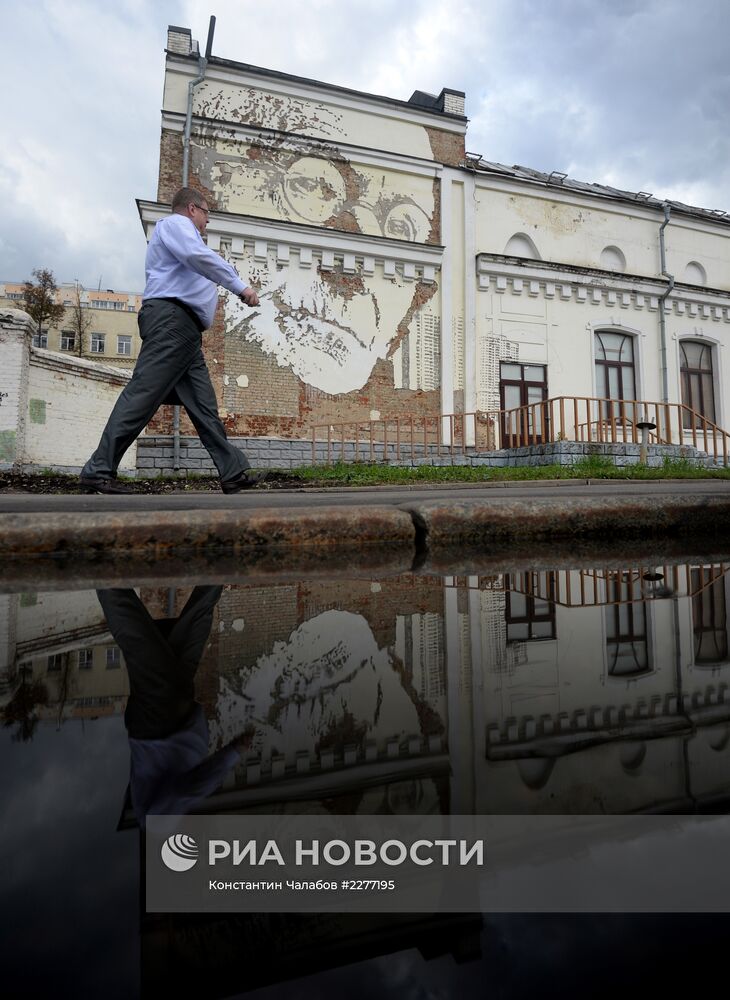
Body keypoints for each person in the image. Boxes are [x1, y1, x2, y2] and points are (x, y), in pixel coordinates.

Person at [80, 187, 264, 494]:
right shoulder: (176, 225)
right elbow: (197, 256)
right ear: (192, 209)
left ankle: (232, 472)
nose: (208, 221)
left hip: (185, 332)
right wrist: (239, 286)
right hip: (172, 322)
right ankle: (99, 468)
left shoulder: (183, 234)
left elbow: (196, 263)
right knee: (143, 393)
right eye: (207, 214)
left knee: (204, 406)